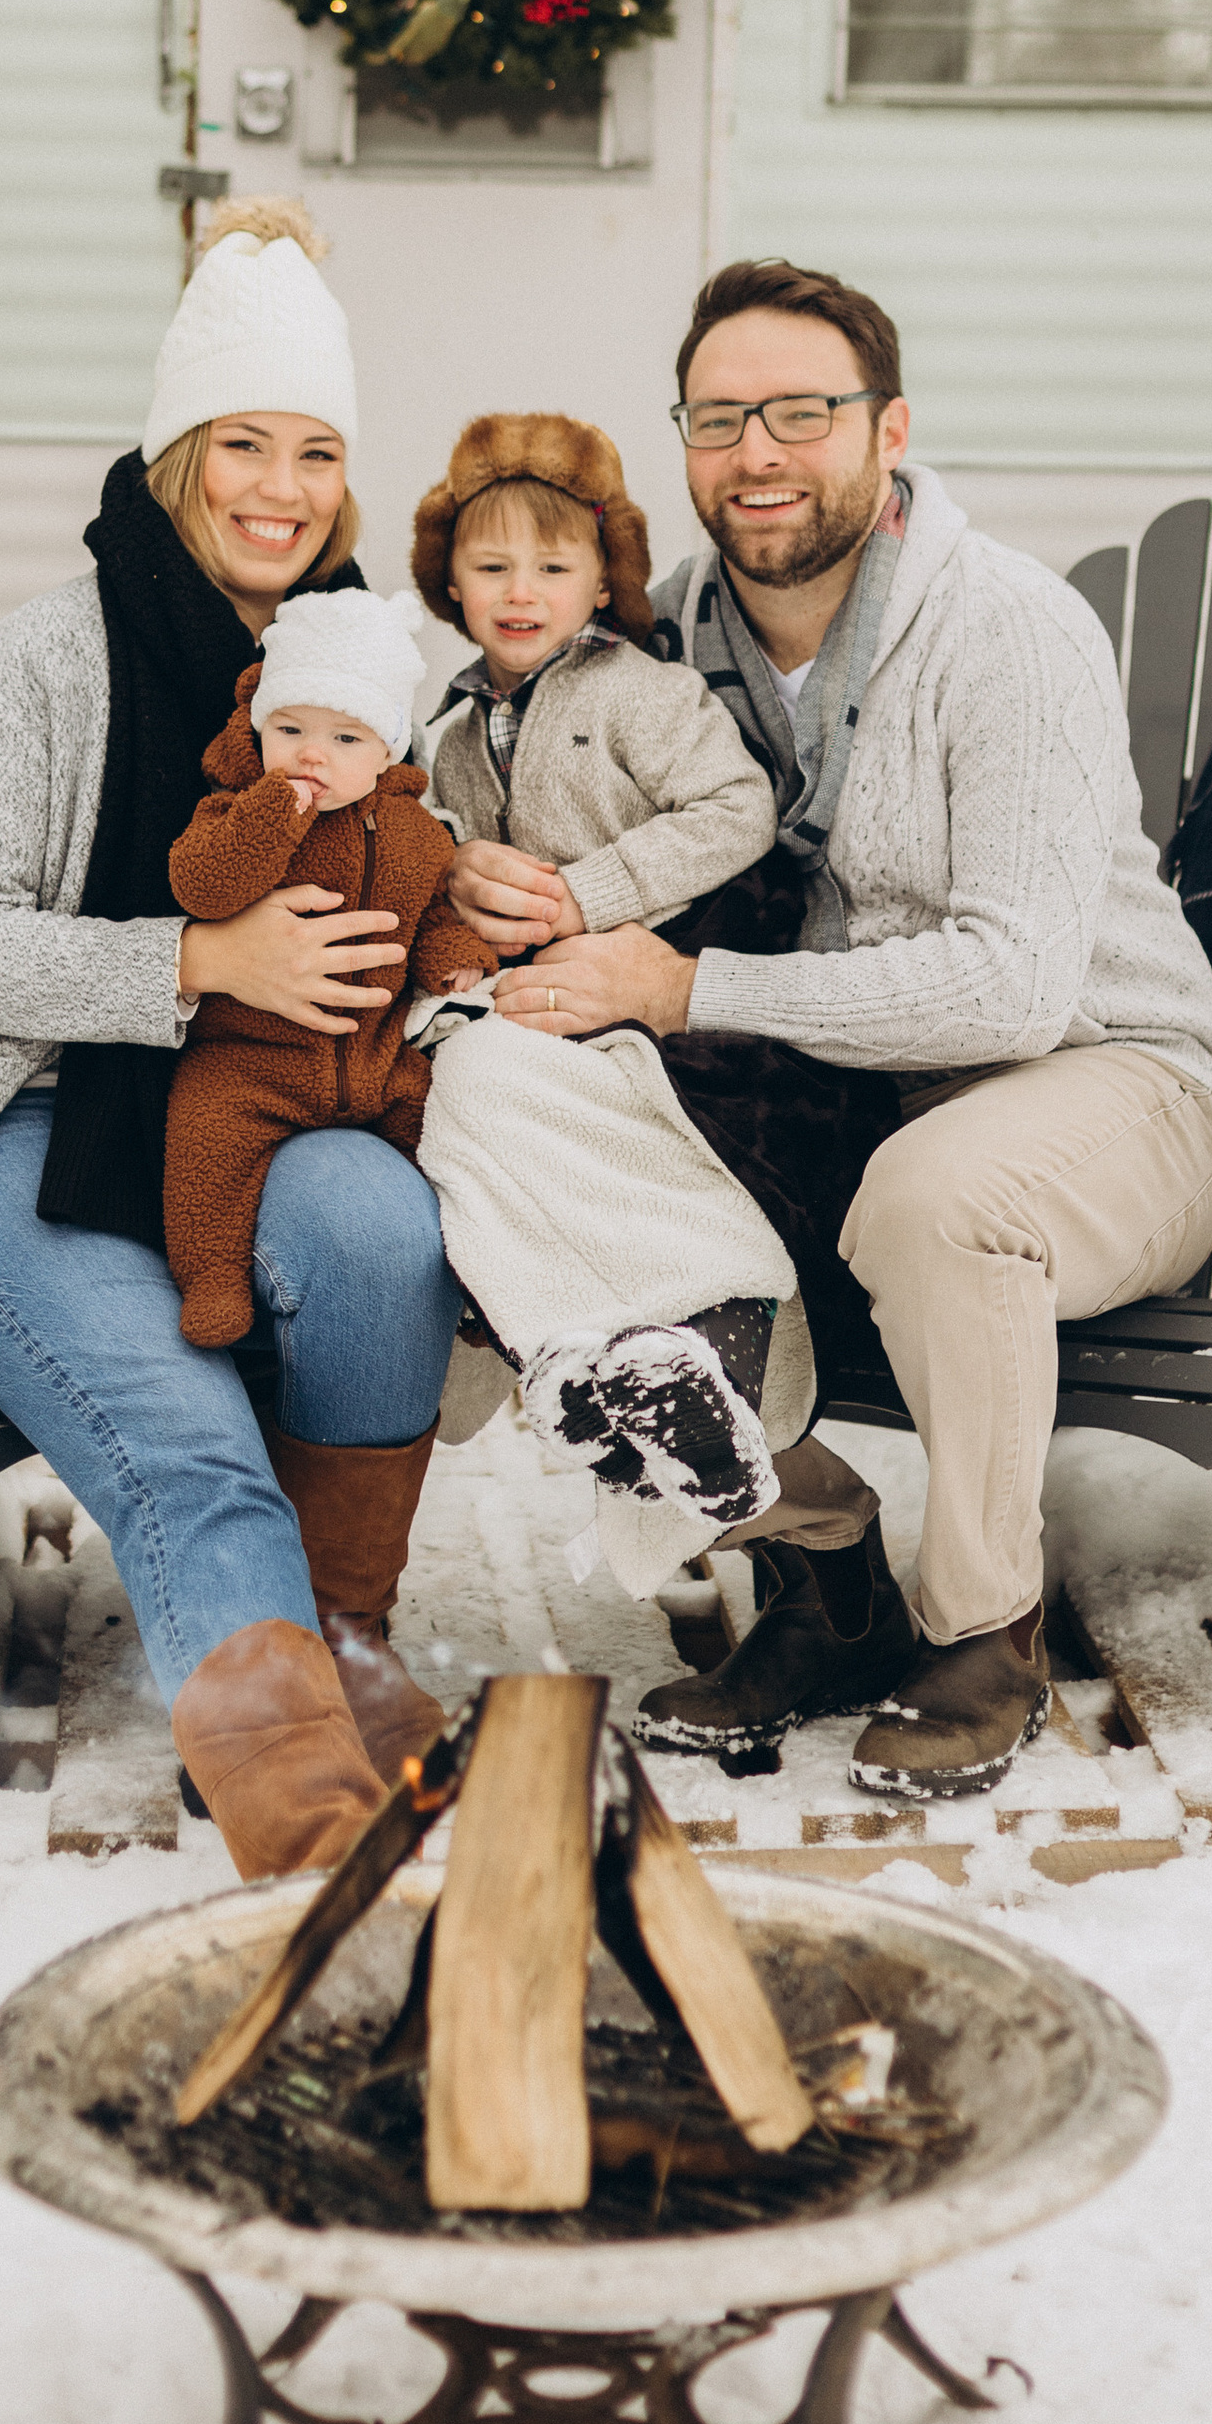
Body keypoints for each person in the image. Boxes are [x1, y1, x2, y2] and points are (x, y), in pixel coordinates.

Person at [444, 257, 1212, 1800]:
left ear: (888, 432)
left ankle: (981, 1633)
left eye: (802, 413)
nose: (758, 453)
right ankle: (818, 1574)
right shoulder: (660, 635)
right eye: (721, 416)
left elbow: (1014, 983)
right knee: (513, 1146)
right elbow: (499, 741)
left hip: (1101, 1085)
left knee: (940, 1198)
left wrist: (683, 993)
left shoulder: (1006, 632)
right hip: (825, 1097)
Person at [0, 200, 462, 1880]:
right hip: (9, 1132)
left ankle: (340, 1643)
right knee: (191, 1439)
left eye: (317, 451)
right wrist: (195, 959)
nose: (283, 489)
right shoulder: (45, 660)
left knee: (384, 1230)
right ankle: (297, 1805)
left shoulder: (351, 671)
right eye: (244, 441)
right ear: (178, 453)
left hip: (237, 1123)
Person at [405, 411, 797, 1591]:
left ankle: (684, 1345)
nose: (521, 593)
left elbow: (737, 811)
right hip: (527, 1012)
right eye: (490, 567)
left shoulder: (641, 692)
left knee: (498, 1091)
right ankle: (597, 1364)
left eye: (554, 566)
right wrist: (453, 864)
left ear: (602, 578)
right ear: (450, 582)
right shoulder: (453, 725)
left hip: (654, 1004)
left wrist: (589, 894)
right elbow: (422, 841)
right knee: (456, 1096)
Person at [161, 587, 481, 1371]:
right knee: (205, 1142)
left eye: (345, 736)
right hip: (247, 1061)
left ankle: (473, 1281)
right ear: (260, 727)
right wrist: (275, 814)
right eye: (291, 729)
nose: (313, 753)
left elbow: (430, 909)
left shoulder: (414, 833)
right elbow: (200, 887)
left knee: (451, 1145)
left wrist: (451, 953)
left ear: (387, 751)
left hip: (376, 1066)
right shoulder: (235, 812)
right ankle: (211, 1279)